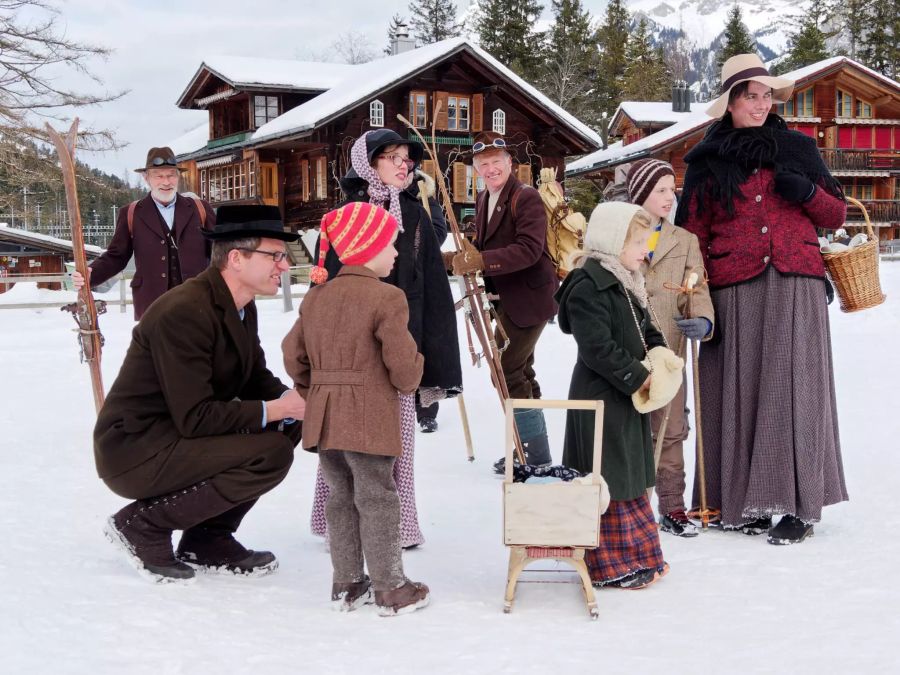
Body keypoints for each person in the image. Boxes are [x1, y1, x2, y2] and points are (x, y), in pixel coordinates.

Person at [675, 53, 848, 544]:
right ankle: (740, 502)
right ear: (729, 103)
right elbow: (691, 234)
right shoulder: (707, 161)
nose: (759, 103)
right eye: (749, 95)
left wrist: (807, 194)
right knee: (737, 390)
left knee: (794, 389)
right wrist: (697, 300)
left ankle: (800, 507)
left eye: (765, 94)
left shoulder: (798, 148)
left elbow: (835, 216)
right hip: (732, 287)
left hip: (797, 282)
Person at [95, 205, 306, 583]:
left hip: (176, 436)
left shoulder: (240, 306)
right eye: (275, 255)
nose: (284, 266)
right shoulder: (184, 311)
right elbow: (195, 417)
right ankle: (141, 526)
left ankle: (207, 539)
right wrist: (276, 408)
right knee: (269, 450)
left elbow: (255, 377)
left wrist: (301, 406)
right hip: (136, 448)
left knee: (285, 427)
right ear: (237, 258)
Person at [308, 128, 462, 548]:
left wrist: (435, 360)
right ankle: (338, 521)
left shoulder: (413, 213)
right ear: (367, 163)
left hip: (400, 345)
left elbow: (433, 289)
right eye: (391, 157)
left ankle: (396, 525)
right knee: (344, 438)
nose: (403, 164)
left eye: (406, 158)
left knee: (396, 438)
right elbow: (325, 286)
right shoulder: (346, 214)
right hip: (352, 350)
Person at [283, 202, 430, 616]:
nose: (397, 253)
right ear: (367, 248)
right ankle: (390, 587)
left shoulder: (317, 297)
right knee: (378, 496)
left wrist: (315, 387)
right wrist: (413, 374)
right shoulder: (387, 297)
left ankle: (346, 583)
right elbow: (401, 365)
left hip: (326, 417)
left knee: (340, 496)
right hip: (368, 416)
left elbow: (292, 354)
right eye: (390, 246)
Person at [556, 202, 676, 589]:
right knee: (608, 476)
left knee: (627, 473)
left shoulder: (626, 279)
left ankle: (639, 555)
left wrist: (660, 355)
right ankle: (610, 564)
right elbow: (598, 348)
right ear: (612, 241)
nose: (646, 250)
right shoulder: (589, 285)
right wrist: (639, 377)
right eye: (639, 242)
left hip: (624, 396)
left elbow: (646, 329)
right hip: (601, 397)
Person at [451, 131, 558, 473]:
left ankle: (532, 454)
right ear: (477, 170)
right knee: (520, 370)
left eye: (497, 162)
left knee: (507, 369)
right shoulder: (485, 199)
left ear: (510, 164)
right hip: (506, 301)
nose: (491, 169)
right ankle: (532, 450)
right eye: (484, 165)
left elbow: (529, 249)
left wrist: (482, 261)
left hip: (530, 298)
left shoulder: (525, 197)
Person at [625, 159, 715, 538]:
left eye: (671, 188)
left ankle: (673, 505)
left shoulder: (684, 239)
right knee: (629, 428)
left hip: (670, 351)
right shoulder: (621, 235)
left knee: (671, 428)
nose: (670, 196)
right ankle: (629, 504)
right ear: (641, 193)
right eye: (660, 189)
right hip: (627, 347)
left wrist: (702, 318)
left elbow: (698, 288)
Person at [72, 147, 215, 320]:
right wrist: (91, 273)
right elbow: (116, 256)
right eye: (159, 176)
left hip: (198, 304)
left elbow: (219, 252)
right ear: (146, 178)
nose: (166, 182)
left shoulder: (200, 209)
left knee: (199, 347)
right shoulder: (132, 213)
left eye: (171, 175)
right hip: (152, 306)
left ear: (178, 176)